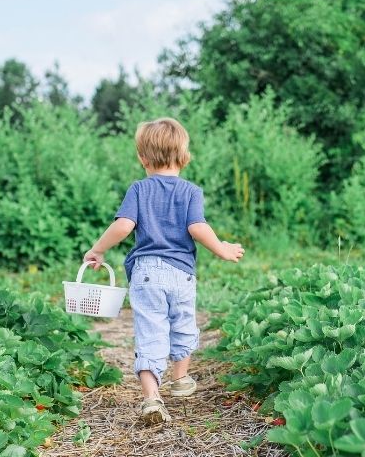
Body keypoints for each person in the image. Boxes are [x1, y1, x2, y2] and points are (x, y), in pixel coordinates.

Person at [83, 117, 245, 424]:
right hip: (181, 273)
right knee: (183, 323)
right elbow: (197, 227)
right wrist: (222, 248)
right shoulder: (191, 191)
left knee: (150, 331)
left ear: (142, 158)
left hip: (146, 273)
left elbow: (124, 225)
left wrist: (99, 248)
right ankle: (180, 378)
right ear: (184, 157)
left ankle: (151, 398)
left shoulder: (139, 189)